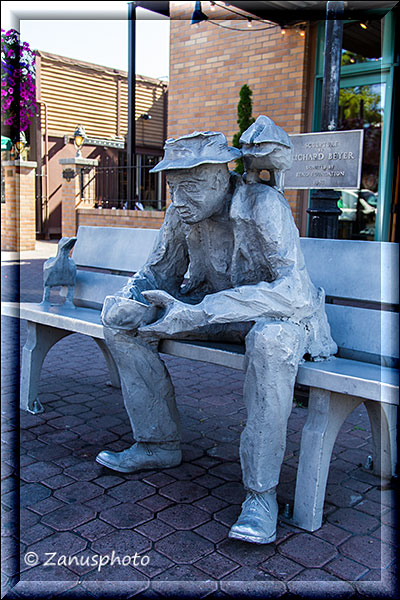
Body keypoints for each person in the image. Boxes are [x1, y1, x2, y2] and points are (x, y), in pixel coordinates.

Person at [97, 125, 337, 544]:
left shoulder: (263, 204)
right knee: (121, 320)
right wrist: (130, 297)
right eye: (174, 187)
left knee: (271, 343)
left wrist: (199, 313)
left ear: (221, 177)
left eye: (191, 187)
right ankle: (157, 442)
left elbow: (293, 293)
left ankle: (260, 496)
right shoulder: (181, 214)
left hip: (276, 318)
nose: (179, 200)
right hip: (212, 313)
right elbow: (157, 272)